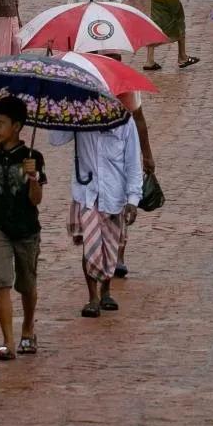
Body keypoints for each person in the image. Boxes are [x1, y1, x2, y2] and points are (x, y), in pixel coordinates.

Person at [0, 96, 45, 360]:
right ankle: (8, 341)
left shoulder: (33, 157)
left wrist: (33, 177)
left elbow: (36, 200)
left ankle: (28, 328)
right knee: (0, 282)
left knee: (27, 285)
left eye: (0, 123)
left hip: (27, 230)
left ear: (17, 126)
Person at [50, 109, 143, 318]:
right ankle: (92, 297)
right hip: (87, 193)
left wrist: (133, 200)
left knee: (109, 246)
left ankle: (106, 292)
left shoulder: (125, 122)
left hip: (114, 195)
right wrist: (64, 112)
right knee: (91, 245)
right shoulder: (81, 117)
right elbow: (55, 139)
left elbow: (133, 163)